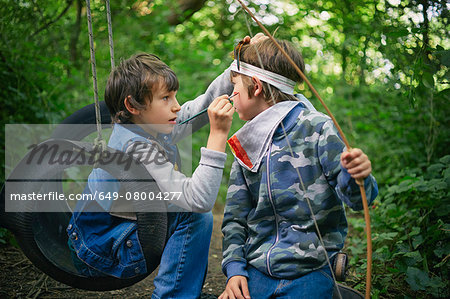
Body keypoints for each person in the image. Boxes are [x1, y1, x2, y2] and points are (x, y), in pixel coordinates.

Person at [67, 52, 236, 299]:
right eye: (166, 98)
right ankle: (174, 295)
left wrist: (236, 70)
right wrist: (217, 136)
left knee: (187, 210)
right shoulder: (138, 147)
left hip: (102, 235)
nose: (176, 105)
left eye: (174, 96)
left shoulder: (148, 125)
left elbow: (199, 108)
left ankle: (183, 292)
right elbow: (199, 200)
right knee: (194, 214)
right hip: (101, 248)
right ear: (132, 106)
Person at [219, 37, 378, 299]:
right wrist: (235, 270)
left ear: (256, 86)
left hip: (310, 272)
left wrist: (358, 175)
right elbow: (235, 217)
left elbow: (360, 201)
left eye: (234, 86)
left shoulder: (317, 128)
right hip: (256, 272)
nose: (229, 95)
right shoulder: (246, 141)